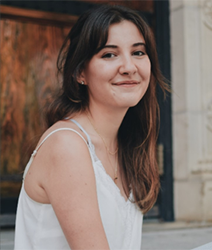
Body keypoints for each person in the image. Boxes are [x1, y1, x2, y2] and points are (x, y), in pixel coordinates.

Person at [14, 4, 168, 250]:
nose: (129, 67)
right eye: (109, 54)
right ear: (79, 73)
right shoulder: (67, 145)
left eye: (138, 52)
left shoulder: (125, 144)